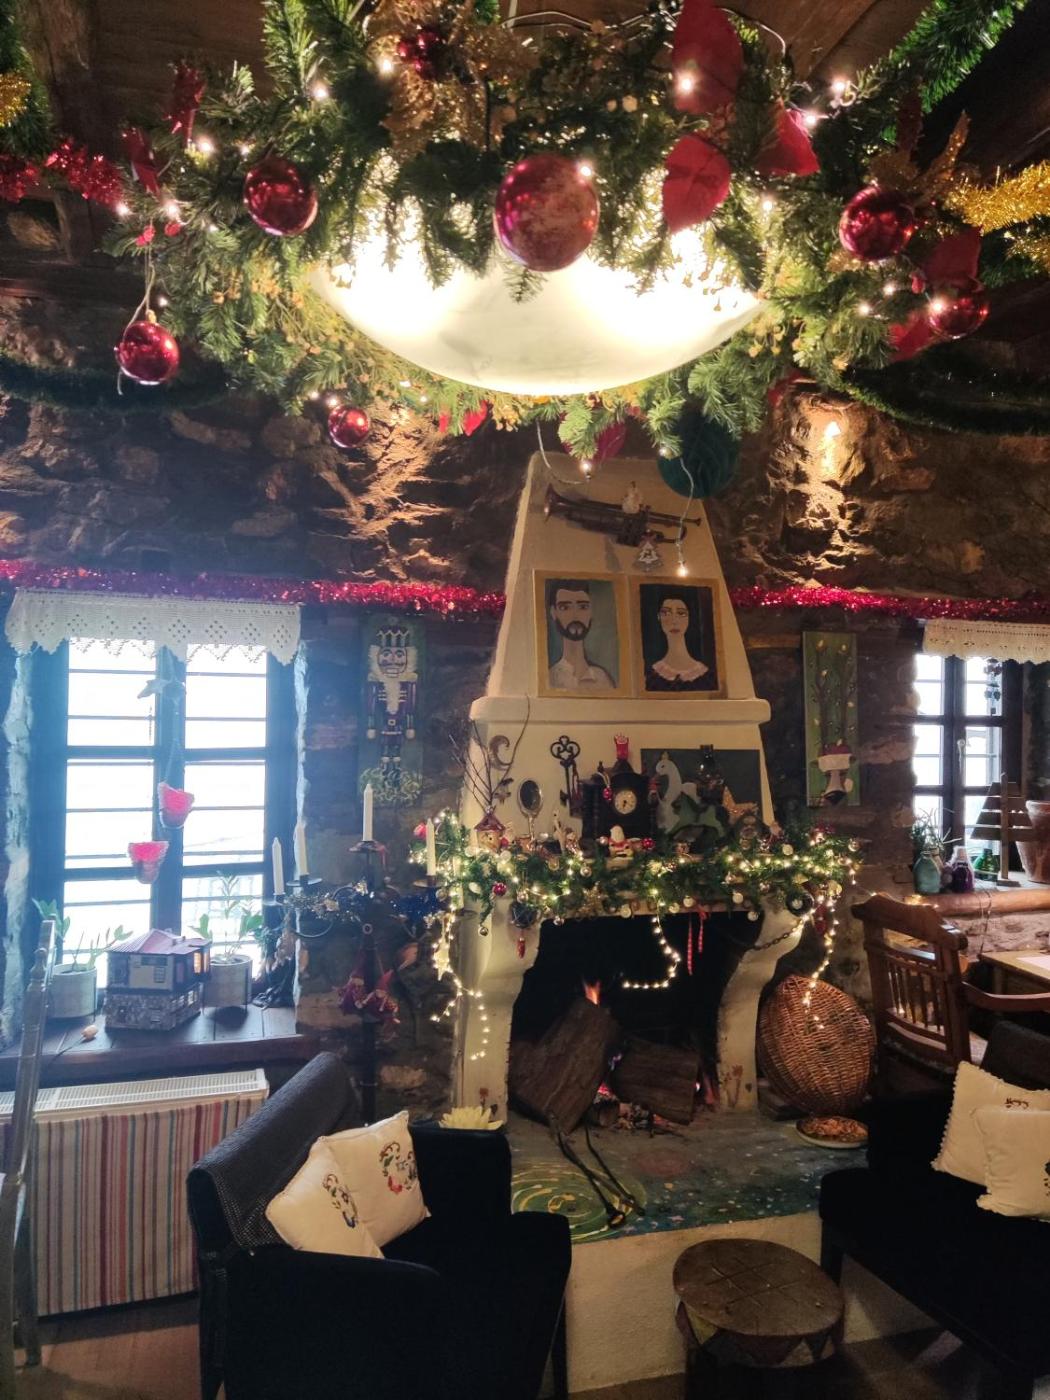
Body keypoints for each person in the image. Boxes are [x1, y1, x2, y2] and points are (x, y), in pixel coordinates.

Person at [546, 579, 615, 690]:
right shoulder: (550, 679)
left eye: (583, 607)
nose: (575, 616)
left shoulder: (602, 679)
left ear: (591, 611)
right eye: (565, 608)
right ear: (553, 613)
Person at [644, 588, 713, 691]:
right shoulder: (650, 676)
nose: (674, 621)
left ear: (689, 617)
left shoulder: (707, 676)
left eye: (681, 613)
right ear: (659, 617)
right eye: (666, 613)